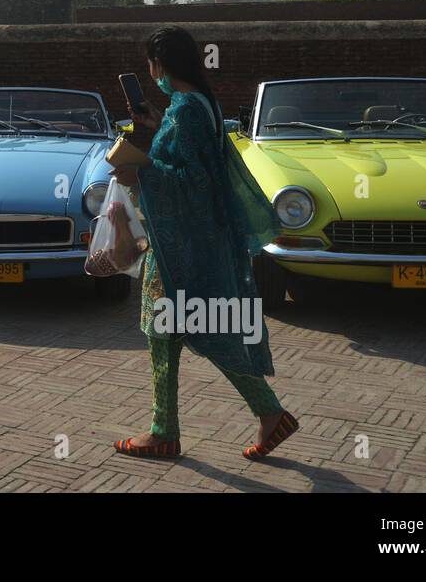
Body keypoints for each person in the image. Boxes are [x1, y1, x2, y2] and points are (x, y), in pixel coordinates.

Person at [110, 26, 298, 460]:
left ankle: (172, 430)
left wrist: (142, 173)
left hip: (183, 242)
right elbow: (193, 162)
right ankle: (179, 426)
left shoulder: (187, 111)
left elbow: (196, 181)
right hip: (196, 236)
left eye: (151, 65)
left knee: (192, 326)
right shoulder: (197, 104)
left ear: (161, 65)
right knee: (181, 328)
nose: (150, 72)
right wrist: (156, 127)